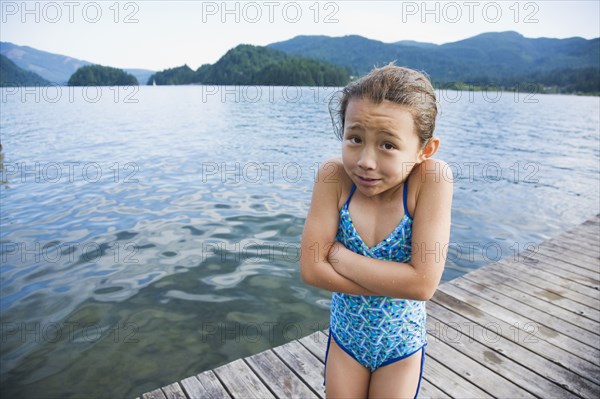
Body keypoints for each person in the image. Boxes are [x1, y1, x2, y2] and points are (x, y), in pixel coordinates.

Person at [300, 64, 453, 398]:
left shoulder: (430, 180)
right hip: (347, 340)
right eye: (355, 139)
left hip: (400, 346)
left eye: (388, 145)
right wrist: (395, 280)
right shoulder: (333, 177)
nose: (366, 161)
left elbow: (423, 283)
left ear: (424, 150)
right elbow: (311, 269)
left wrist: (339, 256)